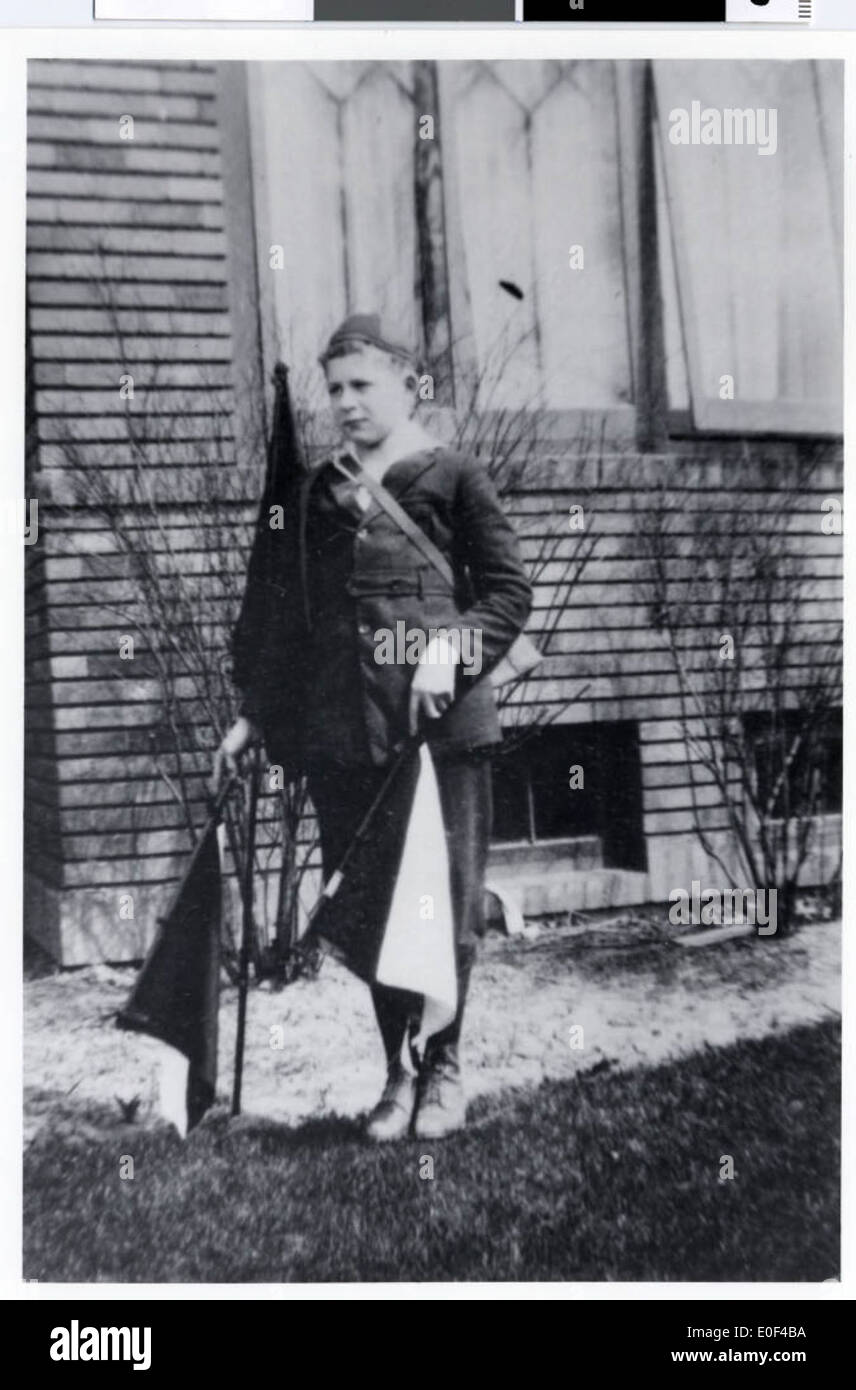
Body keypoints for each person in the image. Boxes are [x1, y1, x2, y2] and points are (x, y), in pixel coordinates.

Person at [213, 313, 532, 1141]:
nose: (346, 404)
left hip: (439, 734)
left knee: (442, 907)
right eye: (336, 389)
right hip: (345, 736)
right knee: (373, 909)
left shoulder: (454, 476)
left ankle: (445, 1071)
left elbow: (506, 594)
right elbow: (293, 618)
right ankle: (398, 1073)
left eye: (363, 386)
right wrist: (254, 716)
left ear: (407, 383)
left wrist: (450, 651)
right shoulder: (319, 492)